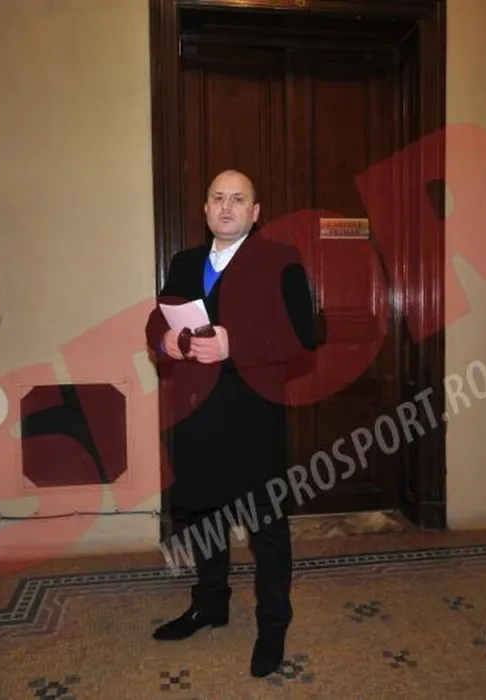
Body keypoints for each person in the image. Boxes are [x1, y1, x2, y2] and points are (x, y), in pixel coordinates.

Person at [145, 169, 318, 678]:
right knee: (203, 519)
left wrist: (233, 345)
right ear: (205, 209)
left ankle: (273, 626)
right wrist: (166, 342)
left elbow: (304, 336)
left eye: (238, 199)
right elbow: (158, 320)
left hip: (252, 420)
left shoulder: (281, 259)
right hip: (195, 417)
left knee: (267, 529)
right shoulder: (184, 262)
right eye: (217, 198)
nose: (226, 207)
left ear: (255, 211)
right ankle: (210, 604)